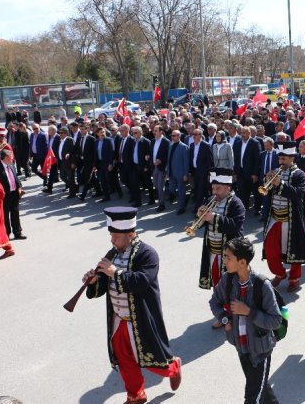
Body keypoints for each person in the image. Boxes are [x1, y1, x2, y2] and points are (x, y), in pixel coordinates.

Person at [84, 207, 182, 403]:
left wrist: (115, 273)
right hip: (118, 318)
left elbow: (142, 281)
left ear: (130, 234)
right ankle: (136, 394)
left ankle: (173, 367)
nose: (112, 240)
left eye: (116, 236)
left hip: (142, 317)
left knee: (153, 358)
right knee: (124, 359)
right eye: (111, 235)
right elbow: (104, 283)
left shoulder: (148, 254)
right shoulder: (112, 253)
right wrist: (95, 281)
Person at [208, 237, 282, 404]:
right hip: (241, 347)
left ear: (242, 262)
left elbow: (275, 320)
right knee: (261, 389)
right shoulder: (228, 280)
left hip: (260, 351)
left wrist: (249, 311)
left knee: (252, 397)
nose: (224, 260)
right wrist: (225, 319)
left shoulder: (262, 285)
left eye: (228, 257)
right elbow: (214, 302)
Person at [262, 145, 305, 292]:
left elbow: (298, 194)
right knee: (270, 250)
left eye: (283, 158)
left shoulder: (299, 175)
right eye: (279, 158)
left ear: (291, 158)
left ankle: (294, 279)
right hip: (275, 217)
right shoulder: (276, 172)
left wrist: (280, 184)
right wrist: (268, 182)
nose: (280, 161)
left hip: (291, 219)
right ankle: (280, 273)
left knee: (295, 251)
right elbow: (269, 193)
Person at [197, 169, 245, 304]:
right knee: (216, 282)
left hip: (229, 253)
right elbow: (203, 223)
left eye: (218, 188)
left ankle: (230, 314)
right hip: (212, 250)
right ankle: (222, 312)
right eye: (213, 188)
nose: (214, 192)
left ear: (228, 188)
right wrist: (200, 217)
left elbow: (235, 225)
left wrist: (214, 217)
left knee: (230, 284)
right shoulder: (210, 200)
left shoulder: (237, 204)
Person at [0, 149, 27, 240]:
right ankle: (6, 234)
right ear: (6, 157)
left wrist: (19, 187)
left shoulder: (11, 165)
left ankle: (17, 232)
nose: (12, 158)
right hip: (4, 196)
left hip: (14, 193)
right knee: (5, 216)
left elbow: (16, 178)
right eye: (10, 156)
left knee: (15, 213)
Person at [233, 126, 261, 210]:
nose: (242, 135)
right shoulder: (238, 143)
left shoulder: (255, 143)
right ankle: (243, 208)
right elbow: (235, 159)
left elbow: (257, 160)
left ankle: (257, 209)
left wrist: (255, 174)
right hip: (241, 171)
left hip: (251, 172)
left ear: (249, 133)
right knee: (242, 191)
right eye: (241, 133)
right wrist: (235, 172)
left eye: (244, 133)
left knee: (255, 192)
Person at [189, 128, 214, 213]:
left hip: (203, 172)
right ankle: (207, 207)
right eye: (193, 134)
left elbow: (210, 161)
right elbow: (191, 158)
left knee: (200, 191)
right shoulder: (192, 145)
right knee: (199, 190)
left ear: (200, 135)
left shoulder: (206, 145)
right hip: (195, 172)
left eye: (196, 134)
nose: (194, 136)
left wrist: (208, 173)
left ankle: (197, 209)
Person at [166, 129, 190, 215]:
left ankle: (181, 207)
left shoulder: (184, 147)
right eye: (172, 136)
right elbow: (168, 160)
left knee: (181, 191)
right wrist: (168, 172)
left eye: (174, 135)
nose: (172, 137)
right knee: (171, 189)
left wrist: (185, 174)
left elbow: (186, 162)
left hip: (181, 173)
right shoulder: (170, 146)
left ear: (179, 136)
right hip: (172, 172)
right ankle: (185, 197)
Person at [151, 125, 170, 212]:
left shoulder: (166, 142)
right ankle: (165, 195)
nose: (154, 132)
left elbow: (168, 155)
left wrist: (161, 160)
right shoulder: (153, 141)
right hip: (154, 166)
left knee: (159, 185)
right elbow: (151, 152)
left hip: (162, 167)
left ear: (161, 131)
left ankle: (161, 204)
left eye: (156, 130)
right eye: (154, 130)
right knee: (155, 184)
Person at [95, 127, 115, 202]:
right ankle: (106, 196)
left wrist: (110, 163)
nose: (103, 133)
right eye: (101, 132)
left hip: (107, 163)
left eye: (103, 132)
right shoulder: (96, 142)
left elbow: (112, 152)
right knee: (102, 180)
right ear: (97, 134)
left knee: (109, 179)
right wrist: (94, 165)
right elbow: (95, 154)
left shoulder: (109, 140)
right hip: (100, 164)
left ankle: (118, 191)